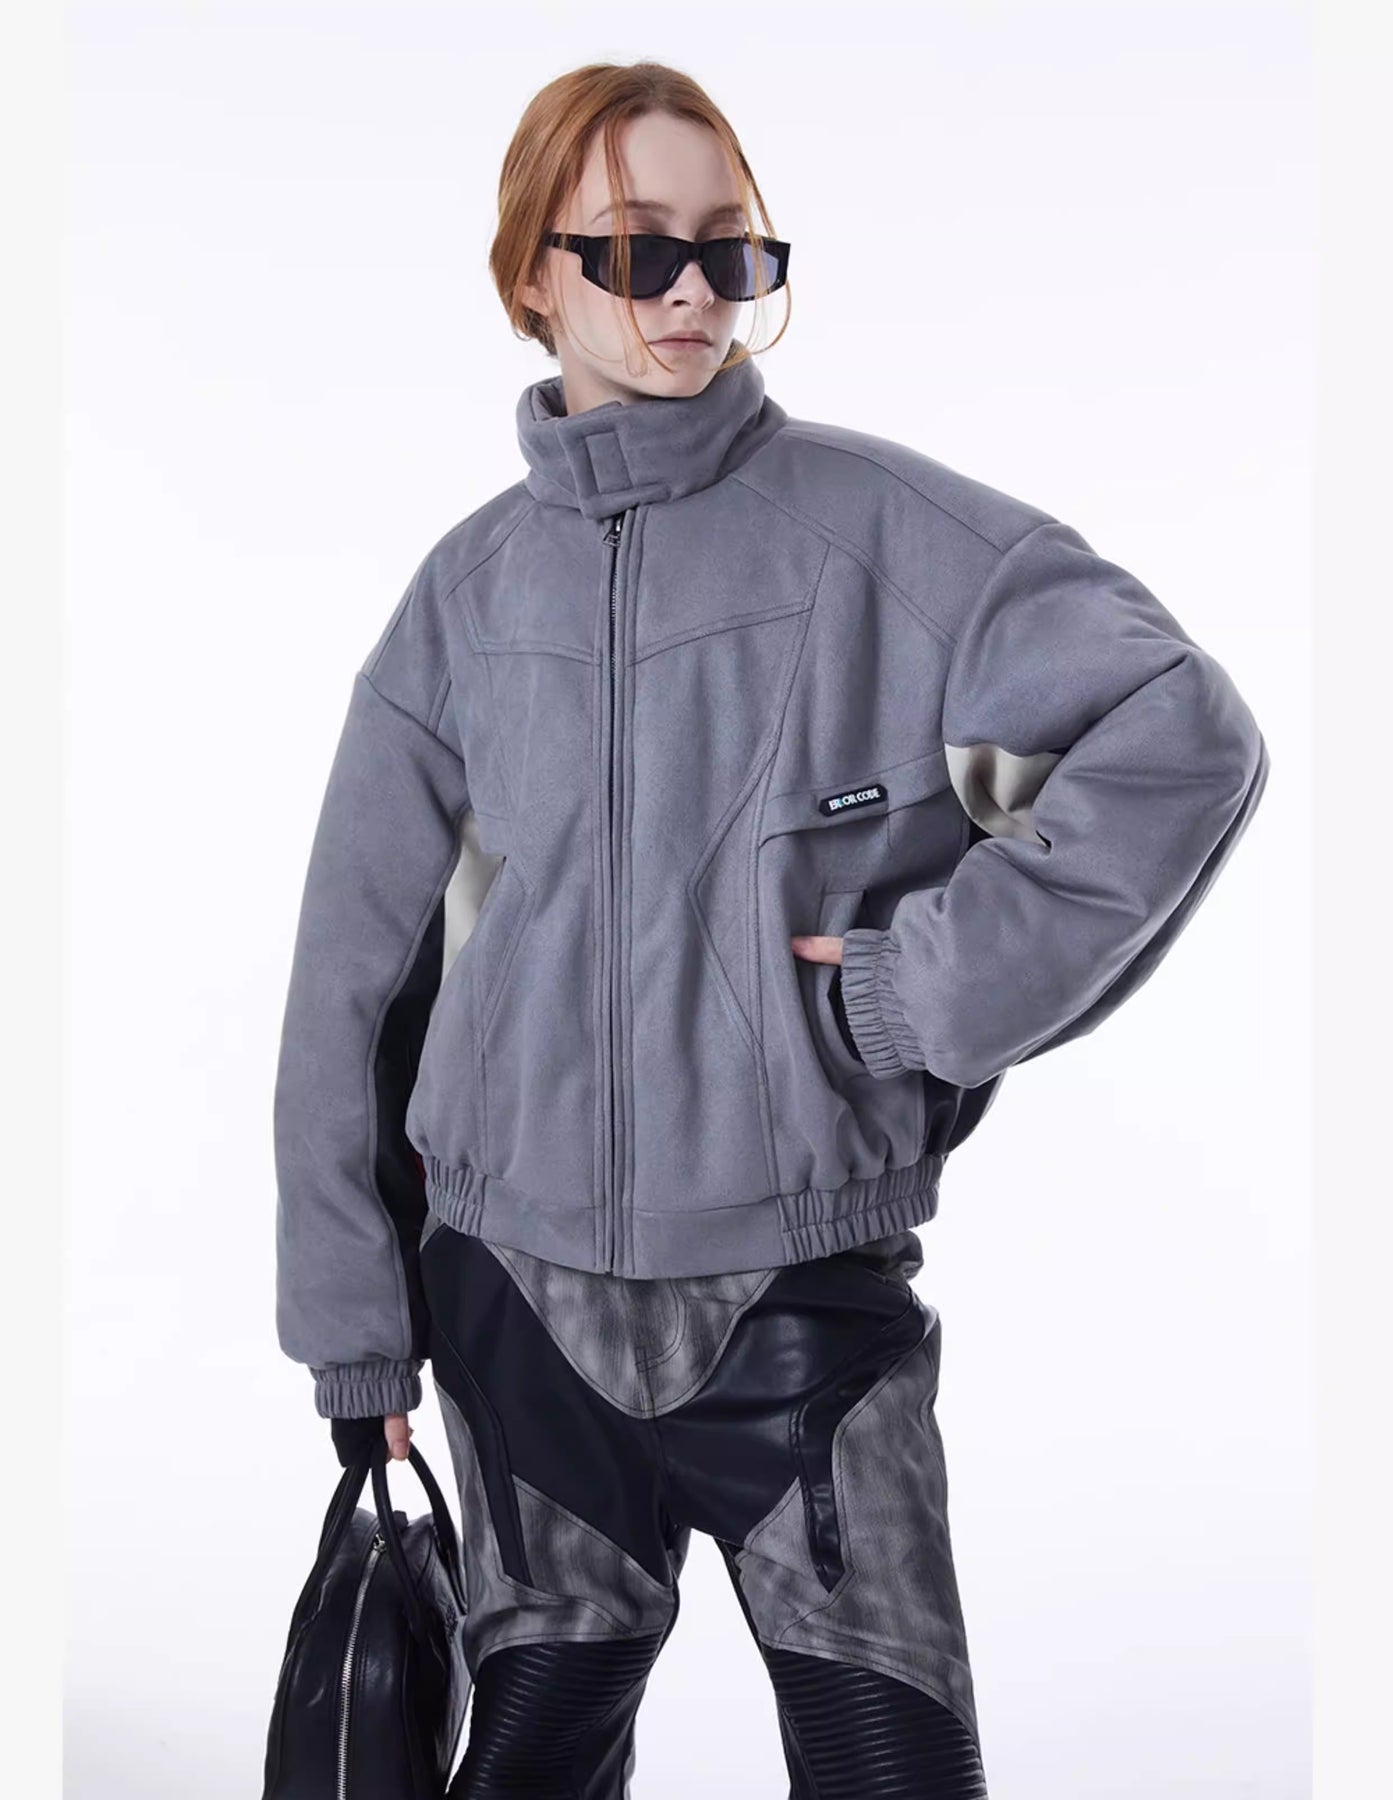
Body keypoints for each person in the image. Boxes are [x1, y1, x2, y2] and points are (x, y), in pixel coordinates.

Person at [272, 59, 1270, 1800]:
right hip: (513, 1306)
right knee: (527, 1755)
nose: (691, 294)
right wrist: (354, 1322)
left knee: (894, 1763)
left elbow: (1181, 734)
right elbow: (354, 984)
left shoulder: (894, 539)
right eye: (635, 249)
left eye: (728, 250)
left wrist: (918, 992)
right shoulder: (463, 597)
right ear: (530, 277)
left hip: (797, 1307)